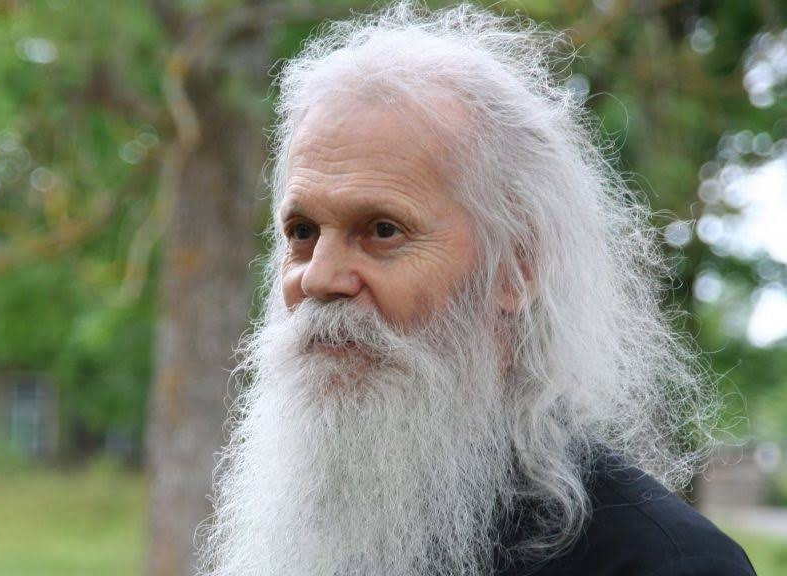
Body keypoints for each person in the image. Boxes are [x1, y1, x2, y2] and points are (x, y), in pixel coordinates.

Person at [195, 3, 756, 575]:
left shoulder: (664, 564)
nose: (317, 277)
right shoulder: (298, 533)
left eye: (383, 231)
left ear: (516, 269)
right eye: (302, 233)